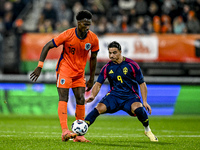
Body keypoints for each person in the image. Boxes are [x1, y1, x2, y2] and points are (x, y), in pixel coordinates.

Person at [30, 10, 99, 142]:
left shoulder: (93, 38)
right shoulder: (67, 34)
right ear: (78, 23)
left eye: (89, 24)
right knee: (64, 97)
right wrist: (40, 66)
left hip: (79, 73)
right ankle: (65, 131)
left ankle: (79, 135)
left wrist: (91, 78)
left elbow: (93, 58)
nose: (87, 27)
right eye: (85, 24)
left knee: (80, 99)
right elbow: (47, 46)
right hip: (65, 70)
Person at [84, 41, 158, 142]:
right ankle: (80, 131)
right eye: (110, 53)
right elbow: (98, 83)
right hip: (114, 96)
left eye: (114, 53)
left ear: (120, 52)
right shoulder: (107, 67)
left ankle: (147, 130)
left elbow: (142, 84)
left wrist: (144, 101)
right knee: (98, 108)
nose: (111, 55)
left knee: (139, 109)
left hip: (130, 96)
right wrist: (93, 95)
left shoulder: (132, 65)